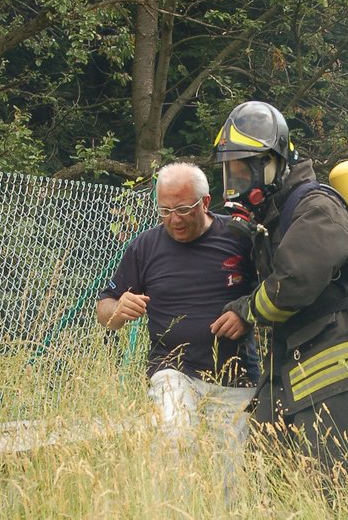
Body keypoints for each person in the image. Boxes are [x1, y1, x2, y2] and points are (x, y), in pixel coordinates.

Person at [210, 100, 348, 509]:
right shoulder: (272, 218)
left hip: (338, 369)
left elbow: (294, 283)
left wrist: (245, 310)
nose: (235, 181)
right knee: (267, 484)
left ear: (272, 165)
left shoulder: (316, 207)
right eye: (230, 170)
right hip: (291, 370)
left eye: (244, 169)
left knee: (347, 496)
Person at [96, 162, 257, 452]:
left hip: (236, 374)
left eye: (183, 209)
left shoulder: (239, 237)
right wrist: (118, 309)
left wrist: (246, 314)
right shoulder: (144, 247)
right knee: (176, 437)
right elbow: (104, 310)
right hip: (172, 369)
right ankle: (169, 499)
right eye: (165, 211)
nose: (174, 220)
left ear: (206, 202)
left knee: (233, 468)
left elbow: (274, 291)